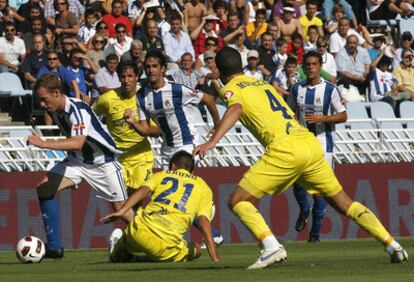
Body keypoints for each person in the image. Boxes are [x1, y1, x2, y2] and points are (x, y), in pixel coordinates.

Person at [193, 47, 408, 269]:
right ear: (240, 65)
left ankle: (271, 246)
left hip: (284, 149)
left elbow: (236, 108)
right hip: (309, 144)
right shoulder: (262, 83)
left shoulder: (231, 88)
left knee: (237, 200)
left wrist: (212, 141)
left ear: (218, 69)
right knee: (345, 203)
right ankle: (392, 245)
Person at [27, 74, 134, 259]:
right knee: (44, 189)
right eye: (40, 100)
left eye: (44, 99)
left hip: (103, 164)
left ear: (57, 93)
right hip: (78, 161)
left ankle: (155, 240)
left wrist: (43, 144)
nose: (42, 105)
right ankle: (54, 248)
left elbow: (77, 142)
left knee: (123, 212)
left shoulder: (78, 109)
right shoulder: (54, 110)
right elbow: (76, 146)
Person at [100, 151, 220, 263]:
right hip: (165, 246)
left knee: (131, 233)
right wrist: (215, 257)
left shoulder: (161, 175)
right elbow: (204, 222)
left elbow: (143, 190)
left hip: (138, 233)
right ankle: (137, 259)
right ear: (192, 171)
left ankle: (118, 250)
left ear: (172, 166)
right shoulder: (203, 187)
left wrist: (121, 211)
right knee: (196, 250)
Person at [288, 50, 347, 243]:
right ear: (303, 68)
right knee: (295, 180)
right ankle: (304, 209)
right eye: (308, 65)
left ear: (320, 67)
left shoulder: (330, 89)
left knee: (321, 190)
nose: (311, 68)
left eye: (314, 64)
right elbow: (290, 113)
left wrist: (323, 118)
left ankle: (315, 235)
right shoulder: (297, 89)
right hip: (303, 143)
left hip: (323, 145)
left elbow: (343, 115)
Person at [125, 50, 220, 169]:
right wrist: (133, 122)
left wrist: (217, 126)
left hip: (187, 145)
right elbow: (145, 130)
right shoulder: (141, 96)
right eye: (148, 67)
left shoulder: (177, 89)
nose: (151, 70)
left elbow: (208, 99)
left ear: (163, 69)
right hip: (166, 149)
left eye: (155, 66)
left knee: (184, 184)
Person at [93, 63, 155, 194]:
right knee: (119, 198)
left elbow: (156, 130)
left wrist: (138, 126)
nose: (126, 80)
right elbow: (89, 116)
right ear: (119, 78)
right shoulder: (107, 99)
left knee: (137, 196)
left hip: (141, 156)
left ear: (137, 77)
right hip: (118, 158)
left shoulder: (145, 98)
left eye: (130, 76)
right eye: (123, 76)